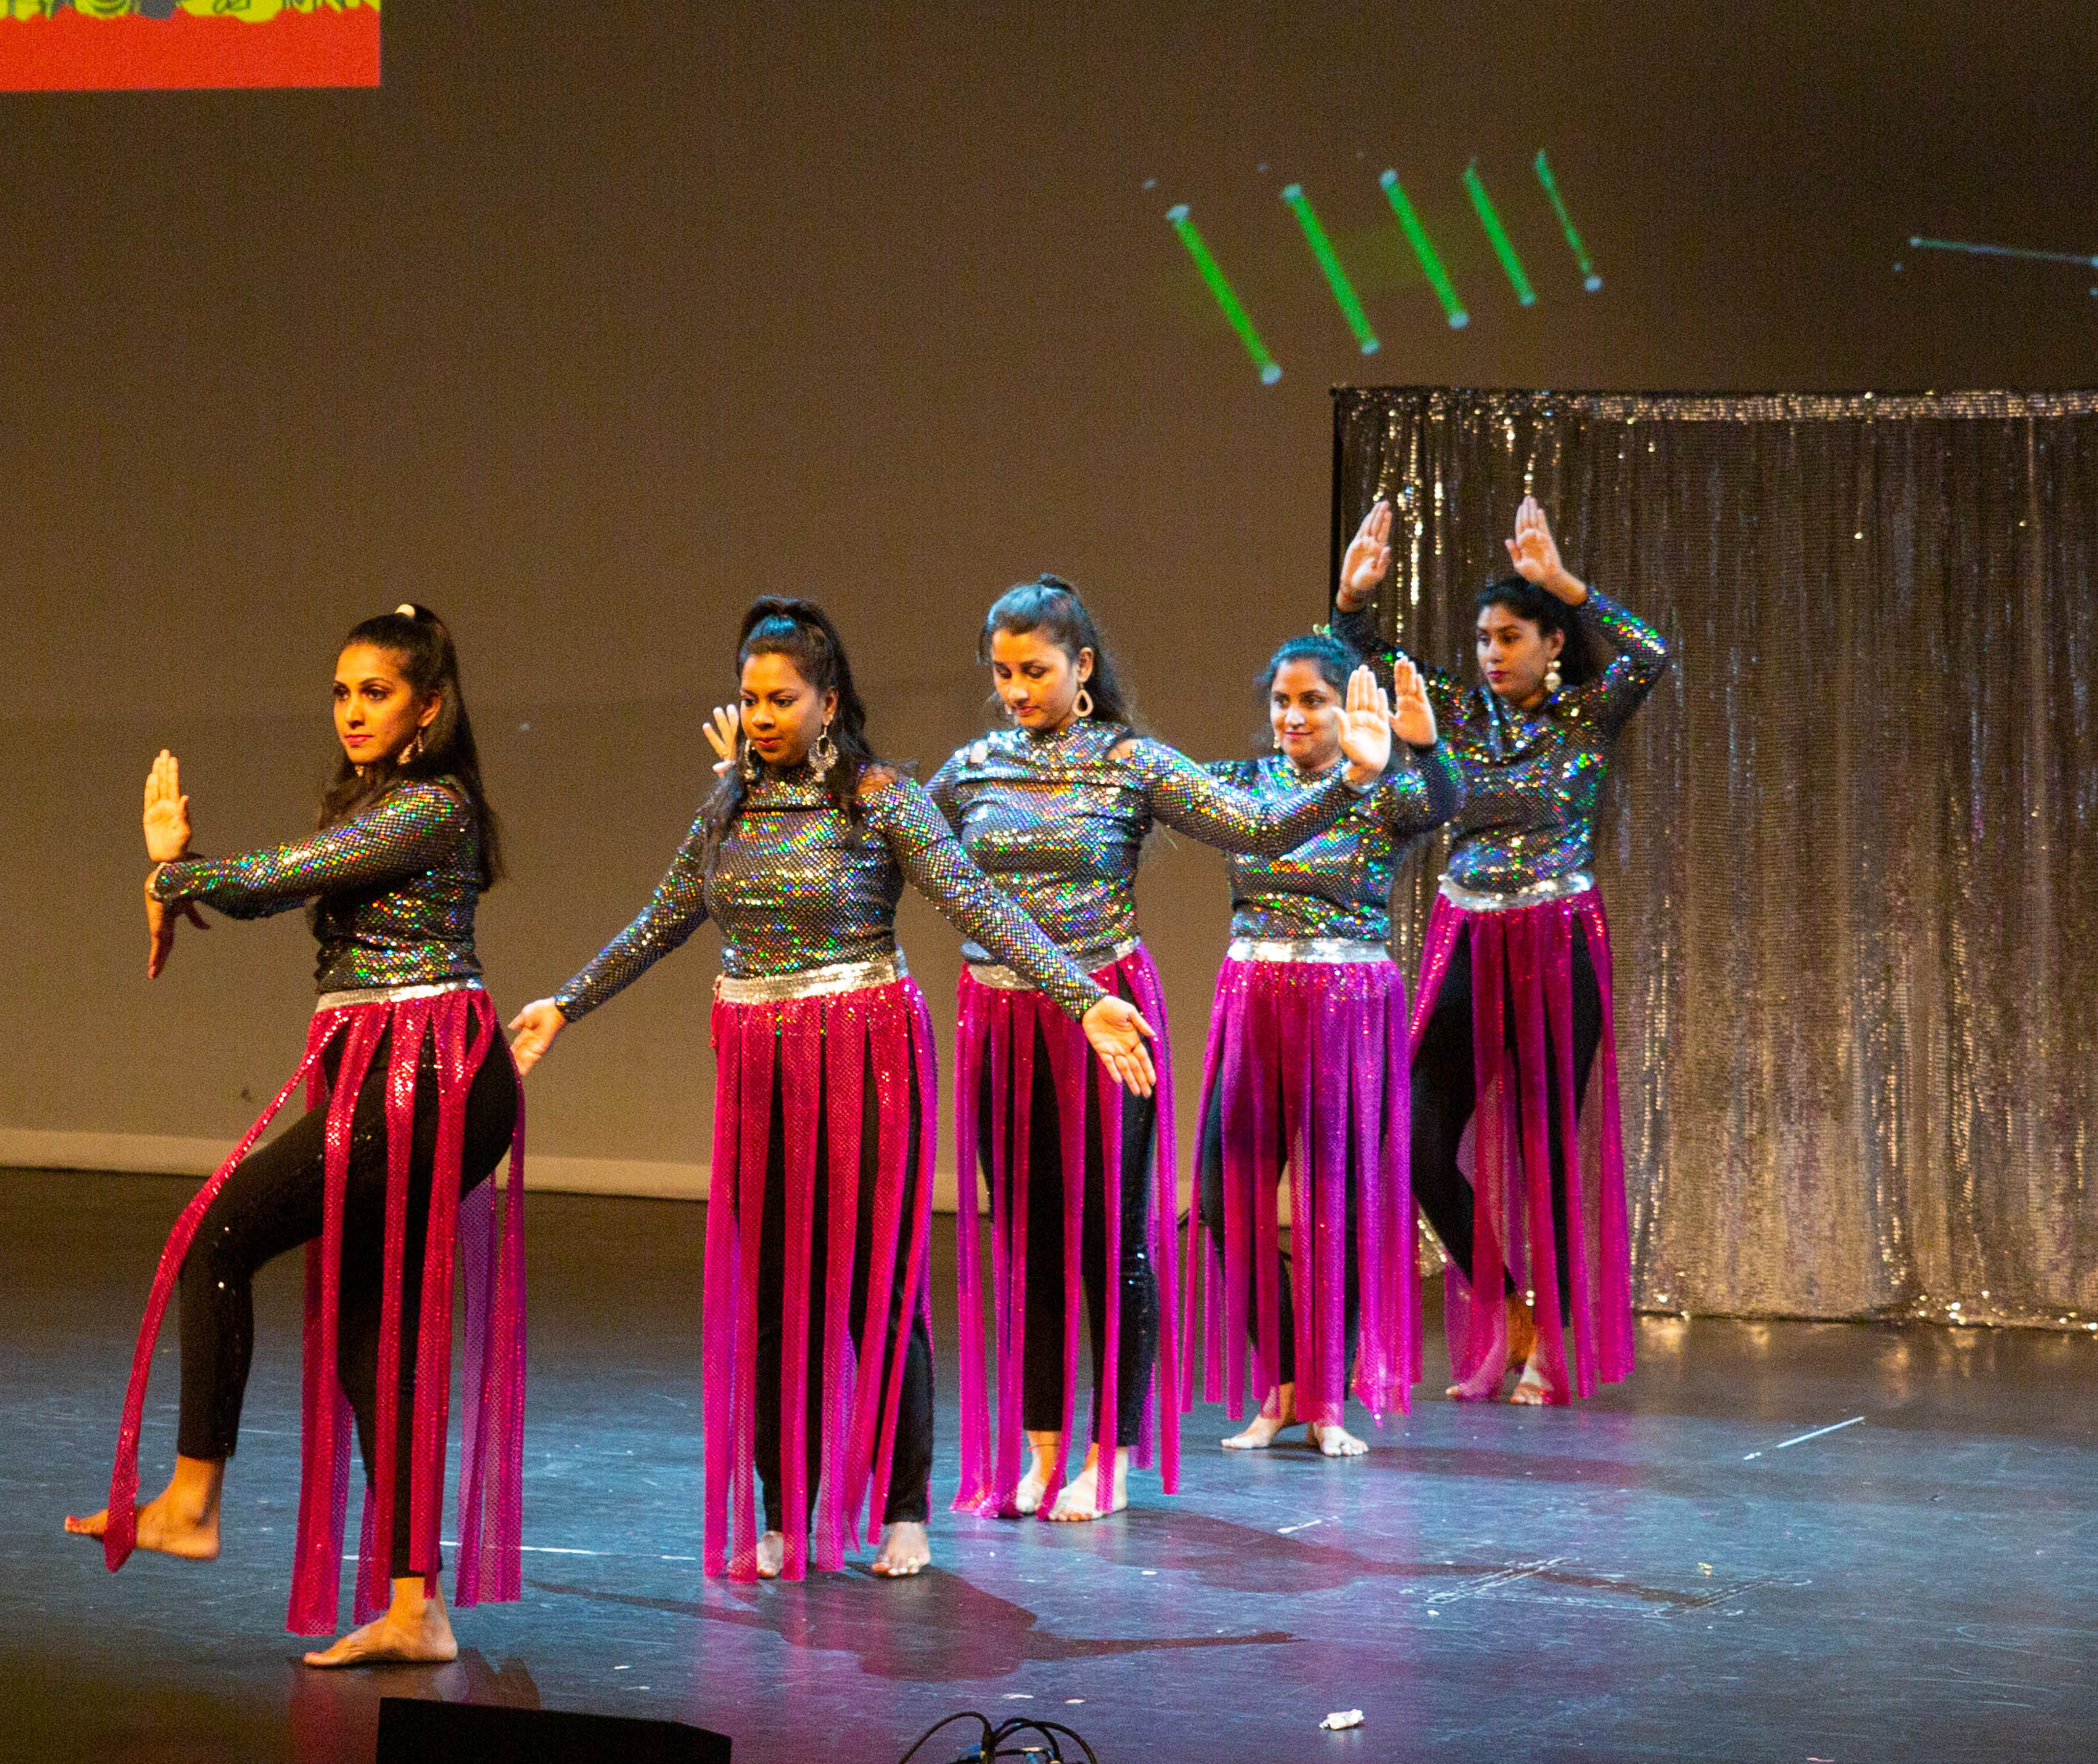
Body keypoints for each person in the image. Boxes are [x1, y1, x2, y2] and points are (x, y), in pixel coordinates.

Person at [509, 599, 1134, 1582]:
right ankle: (783, 1515)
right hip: (760, 1068)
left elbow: (977, 901)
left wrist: (1080, 995)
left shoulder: (882, 798)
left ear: (829, 702)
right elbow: (664, 917)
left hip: (866, 1057)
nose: (761, 716)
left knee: (876, 1294)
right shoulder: (727, 807)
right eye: (751, 699)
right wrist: (566, 1003)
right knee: (776, 1300)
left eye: (782, 699)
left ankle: (902, 1511)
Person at [73, 604, 527, 1664]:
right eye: (341, 693)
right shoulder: (378, 801)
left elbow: (281, 878)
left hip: (428, 1076)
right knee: (370, 1334)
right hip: (399, 1070)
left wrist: (173, 875)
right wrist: (182, 873)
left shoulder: (432, 807)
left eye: (377, 693)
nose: (352, 711)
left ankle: (193, 1499)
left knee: (218, 1237)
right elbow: (292, 878)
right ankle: (416, 1609)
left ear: (429, 707)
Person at [927, 577, 1396, 1519]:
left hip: (1109, 1021)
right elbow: (895, 843)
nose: (1016, 690)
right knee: (1027, 1240)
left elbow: (1253, 825)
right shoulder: (972, 768)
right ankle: (1042, 1450)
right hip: (1001, 1020)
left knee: (1109, 1237)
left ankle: (1110, 1456)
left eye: (1035, 670)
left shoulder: (1129, 763)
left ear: (1082, 667)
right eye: (1003, 672)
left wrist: (1351, 780)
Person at [1336, 497, 1674, 1404]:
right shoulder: (1451, 709)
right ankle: (1506, 1312)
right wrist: (1352, 604)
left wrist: (1567, 584)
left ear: (1552, 643)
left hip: (1557, 942)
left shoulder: (1587, 716)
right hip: (1469, 936)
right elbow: (1360, 656)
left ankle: (1551, 1345)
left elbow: (1649, 654)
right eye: (1484, 638)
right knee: (1415, 1141)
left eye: (1511, 637)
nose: (1491, 652)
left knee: (1544, 1153)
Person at [1181, 629, 1462, 1454]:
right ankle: (1283, 1382)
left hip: (1347, 1007)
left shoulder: (1383, 789)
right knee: (1222, 1197)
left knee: (1338, 1206)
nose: (1294, 716)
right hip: (1254, 1002)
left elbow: (1440, 803)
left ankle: (1327, 1399)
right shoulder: (1244, 786)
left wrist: (1426, 748)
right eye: (1283, 701)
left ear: (1348, 710)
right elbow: (1163, 792)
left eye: (1314, 701)